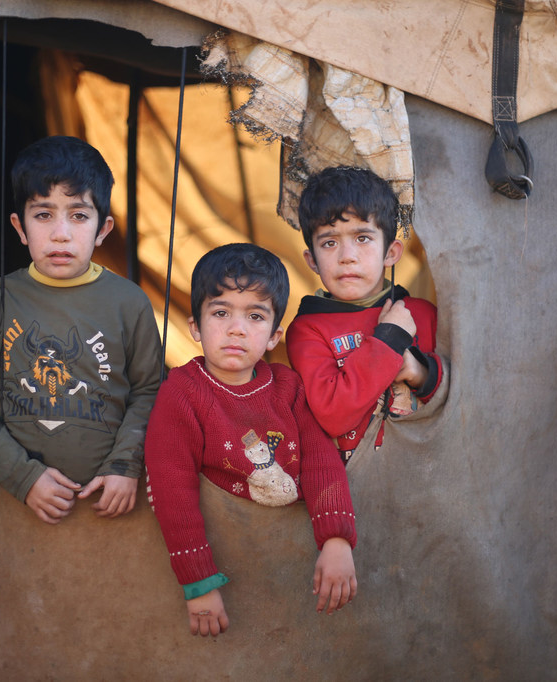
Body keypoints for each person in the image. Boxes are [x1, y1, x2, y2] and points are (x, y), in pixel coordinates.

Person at [144, 243, 357, 637]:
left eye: (255, 316)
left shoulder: (289, 389)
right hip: (230, 555)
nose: (236, 328)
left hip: (287, 559)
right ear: (195, 325)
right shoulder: (183, 393)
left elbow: (320, 462)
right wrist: (199, 581)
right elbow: (171, 488)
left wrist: (337, 539)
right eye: (220, 312)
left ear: (275, 335)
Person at [0, 136, 161, 524]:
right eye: (43, 215)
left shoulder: (129, 303)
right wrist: (22, 477)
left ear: (103, 228)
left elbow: (150, 390)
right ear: (20, 226)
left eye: (78, 216)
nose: (61, 233)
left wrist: (125, 465)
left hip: (109, 508)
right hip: (9, 508)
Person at [285, 166, 448, 462]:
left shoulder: (422, 314)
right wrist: (389, 340)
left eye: (362, 238)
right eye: (329, 242)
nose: (347, 256)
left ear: (391, 253)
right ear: (312, 260)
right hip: (354, 493)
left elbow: (463, 405)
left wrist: (421, 373)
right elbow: (333, 416)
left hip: (427, 484)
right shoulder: (308, 330)